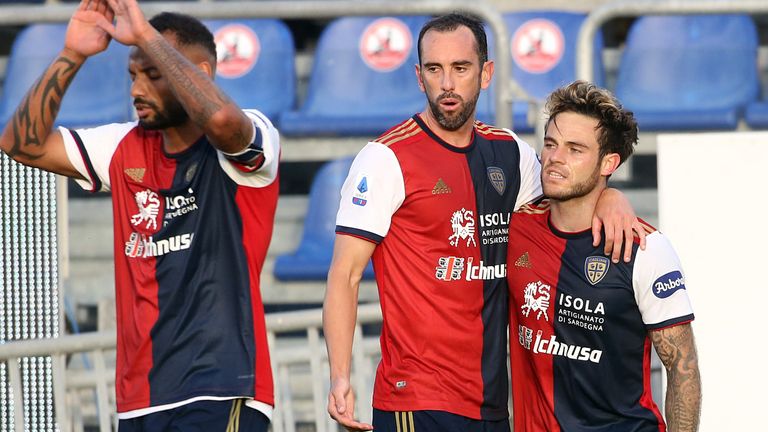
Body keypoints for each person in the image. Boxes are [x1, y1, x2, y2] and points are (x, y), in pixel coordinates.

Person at [323, 13, 645, 432]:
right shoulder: (385, 159)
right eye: (435, 70)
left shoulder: (509, 153)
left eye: (461, 68)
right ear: (419, 77)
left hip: (492, 404)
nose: (448, 84)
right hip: (417, 400)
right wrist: (340, 375)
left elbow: (569, 199)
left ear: (486, 72)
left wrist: (611, 195)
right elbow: (344, 275)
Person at [0, 0, 279, 429]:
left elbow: (222, 119)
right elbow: (22, 144)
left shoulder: (249, 138)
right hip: (140, 398)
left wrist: (146, 35)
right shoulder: (122, 145)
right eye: (132, 76)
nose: (136, 90)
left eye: (153, 75)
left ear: (198, 74)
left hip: (222, 385)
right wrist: (73, 53)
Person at [507, 80, 701, 431]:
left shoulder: (644, 248)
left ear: (608, 162)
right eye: (550, 144)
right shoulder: (516, 226)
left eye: (575, 150)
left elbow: (682, 367)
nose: (554, 158)